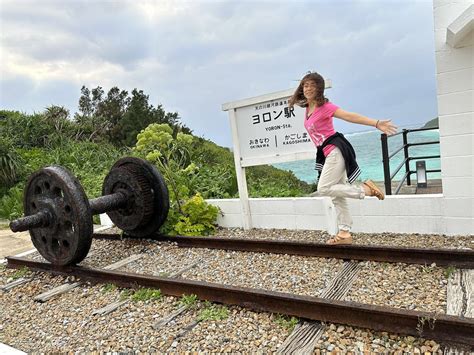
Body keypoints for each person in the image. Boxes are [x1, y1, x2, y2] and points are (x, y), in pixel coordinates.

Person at [289, 72, 397, 245]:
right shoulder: (308, 109)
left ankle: (366, 190)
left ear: (319, 88)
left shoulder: (326, 107)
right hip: (326, 152)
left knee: (324, 187)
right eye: (305, 85)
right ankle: (345, 233)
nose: (308, 88)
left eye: (312, 85)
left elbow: (350, 116)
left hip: (336, 150)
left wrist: (376, 123)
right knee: (336, 195)